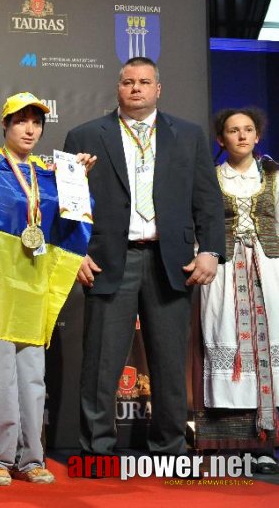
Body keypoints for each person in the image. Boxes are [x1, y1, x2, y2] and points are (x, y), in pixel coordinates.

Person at [63, 56, 225, 460]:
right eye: (128, 82)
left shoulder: (187, 136)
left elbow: (207, 199)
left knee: (170, 365)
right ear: (118, 88)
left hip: (170, 261)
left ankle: (169, 450)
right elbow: (68, 204)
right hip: (107, 259)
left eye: (144, 82)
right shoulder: (84, 135)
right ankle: (97, 452)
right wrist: (73, 253)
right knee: (101, 364)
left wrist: (210, 251)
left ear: (158, 89)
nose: (136, 88)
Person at [0, 92, 95, 486]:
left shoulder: (50, 171)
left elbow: (69, 220)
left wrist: (77, 177)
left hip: (33, 287)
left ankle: (32, 458)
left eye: (37, 122)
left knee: (32, 380)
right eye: (21, 121)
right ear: (5, 126)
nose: (30, 129)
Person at [196, 108, 278, 473]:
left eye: (248, 130)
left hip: (271, 269)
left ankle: (267, 441)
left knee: (269, 342)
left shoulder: (275, 177)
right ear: (221, 139)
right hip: (225, 270)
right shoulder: (210, 178)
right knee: (226, 338)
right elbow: (197, 222)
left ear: (257, 136)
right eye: (233, 130)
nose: (242, 136)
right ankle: (231, 444)